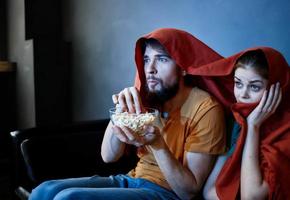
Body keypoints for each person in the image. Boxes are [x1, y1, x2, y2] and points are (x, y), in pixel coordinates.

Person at [28, 28, 227, 200]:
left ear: (183, 68)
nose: (150, 69)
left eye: (162, 59)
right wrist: (121, 112)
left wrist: (158, 145)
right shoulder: (148, 98)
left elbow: (188, 192)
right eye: (147, 59)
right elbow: (108, 156)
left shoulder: (206, 109)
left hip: (166, 193)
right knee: (45, 190)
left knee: (68, 198)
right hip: (133, 179)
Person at [196, 47, 290, 199]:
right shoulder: (237, 120)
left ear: (276, 87)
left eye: (254, 86)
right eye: (238, 83)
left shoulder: (285, 132)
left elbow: (251, 197)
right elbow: (209, 193)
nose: (243, 94)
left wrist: (253, 127)